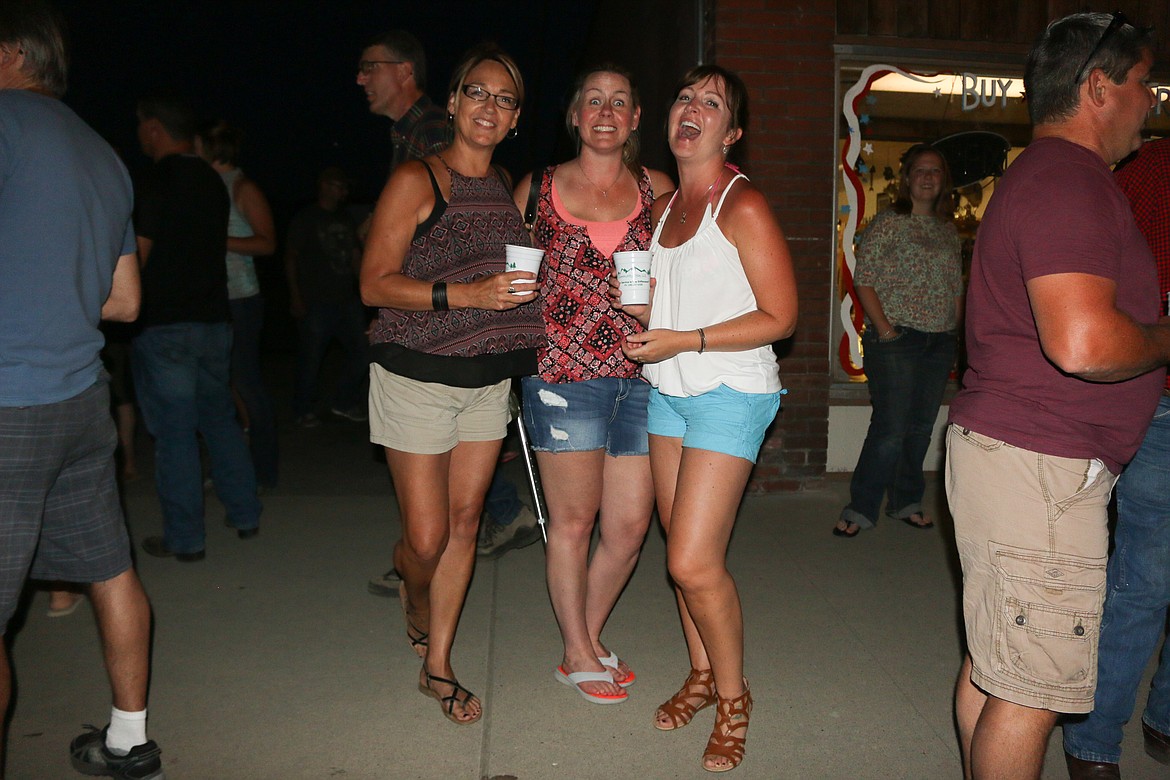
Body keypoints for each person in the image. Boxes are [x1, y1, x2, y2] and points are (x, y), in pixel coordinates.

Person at [943, 12, 1170, 780]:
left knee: (998, 667)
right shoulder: (1067, 181)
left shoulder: (1048, 177)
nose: (1154, 100)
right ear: (1098, 87)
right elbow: (1083, 345)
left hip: (1015, 458)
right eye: (1144, 83)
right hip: (1038, 471)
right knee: (1032, 692)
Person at [614, 64, 797, 772]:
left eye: (711, 102)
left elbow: (782, 317)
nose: (692, 107)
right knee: (680, 557)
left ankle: (732, 698)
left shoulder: (740, 205)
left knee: (693, 560)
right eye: (685, 96)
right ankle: (697, 674)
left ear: (733, 131)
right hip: (669, 389)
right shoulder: (663, 208)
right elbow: (669, 309)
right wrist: (642, 320)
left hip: (731, 390)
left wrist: (684, 338)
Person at [0, 4, 164, 776]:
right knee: (109, 568)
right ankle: (130, 741)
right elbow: (124, 303)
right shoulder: (105, 157)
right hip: (79, 399)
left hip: (7, 403)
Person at [359, 43, 543, 725]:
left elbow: (512, 287)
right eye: (477, 92)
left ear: (517, 117)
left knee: (467, 524)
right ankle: (412, 590)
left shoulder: (505, 191)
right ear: (456, 101)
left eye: (504, 98)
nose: (488, 107)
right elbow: (373, 283)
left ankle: (437, 664)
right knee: (428, 541)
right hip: (415, 376)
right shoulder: (417, 179)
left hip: (486, 383)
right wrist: (468, 293)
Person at [509, 64, 672, 704]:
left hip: (644, 373)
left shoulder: (659, 190)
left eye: (620, 102)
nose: (606, 111)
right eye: (594, 101)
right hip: (563, 378)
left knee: (629, 528)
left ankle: (587, 634)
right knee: (573, 523)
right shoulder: (538, 188)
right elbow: (508, 274)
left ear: (634, 119)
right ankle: (578, 651)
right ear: (576, 115)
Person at [1061, 139, 1170, 777]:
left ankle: (1162, 718)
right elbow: (1116, 277)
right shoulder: (1151, 168)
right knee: (1146, 576)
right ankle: (1094, 738)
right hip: (1163, 395)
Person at [133, 94, 262, 560]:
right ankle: (245, 513)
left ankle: (185, 539)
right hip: (214, 318)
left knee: (175, 432)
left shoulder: (156, 180)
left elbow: (140, 251)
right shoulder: (211, 180)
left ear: (154, 128)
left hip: (166, 322)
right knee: (219, 421)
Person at [833, 143, 963, 537]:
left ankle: (906, 501)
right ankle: (861, 508)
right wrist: (886, 330)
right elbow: (864, 279)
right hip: (896, 340)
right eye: (920, 170)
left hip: (939, 342)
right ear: (907, 179)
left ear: (943, 182)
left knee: (921, 427)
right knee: (890, 427)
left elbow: (957, 285)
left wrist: (953, 328)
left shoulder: (948, 229)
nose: (927, 177)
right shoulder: (889, 223)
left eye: (935, 171)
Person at [196, 119, 279, 488]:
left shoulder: (243, 187)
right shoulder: (204, 185)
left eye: (199, 144)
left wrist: (217, 240)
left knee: (247, 384)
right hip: (210, 300)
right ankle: (228, 466)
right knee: (217, 387)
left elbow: (267, 243)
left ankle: (264, 472)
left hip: (241, 299)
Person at [285, 166, 368, 426]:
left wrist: (367, 285)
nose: (343, 192)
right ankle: (302, 409)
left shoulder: (345, 218)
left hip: (346, 299)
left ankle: (343, 401)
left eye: (345, 187)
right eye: (338, 185)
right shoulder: (306, 217)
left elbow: (355, 255)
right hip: (316, 300)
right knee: (311, 358)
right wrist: (295, 296)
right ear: (324, 185)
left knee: (365, 351)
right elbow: (290, 257)